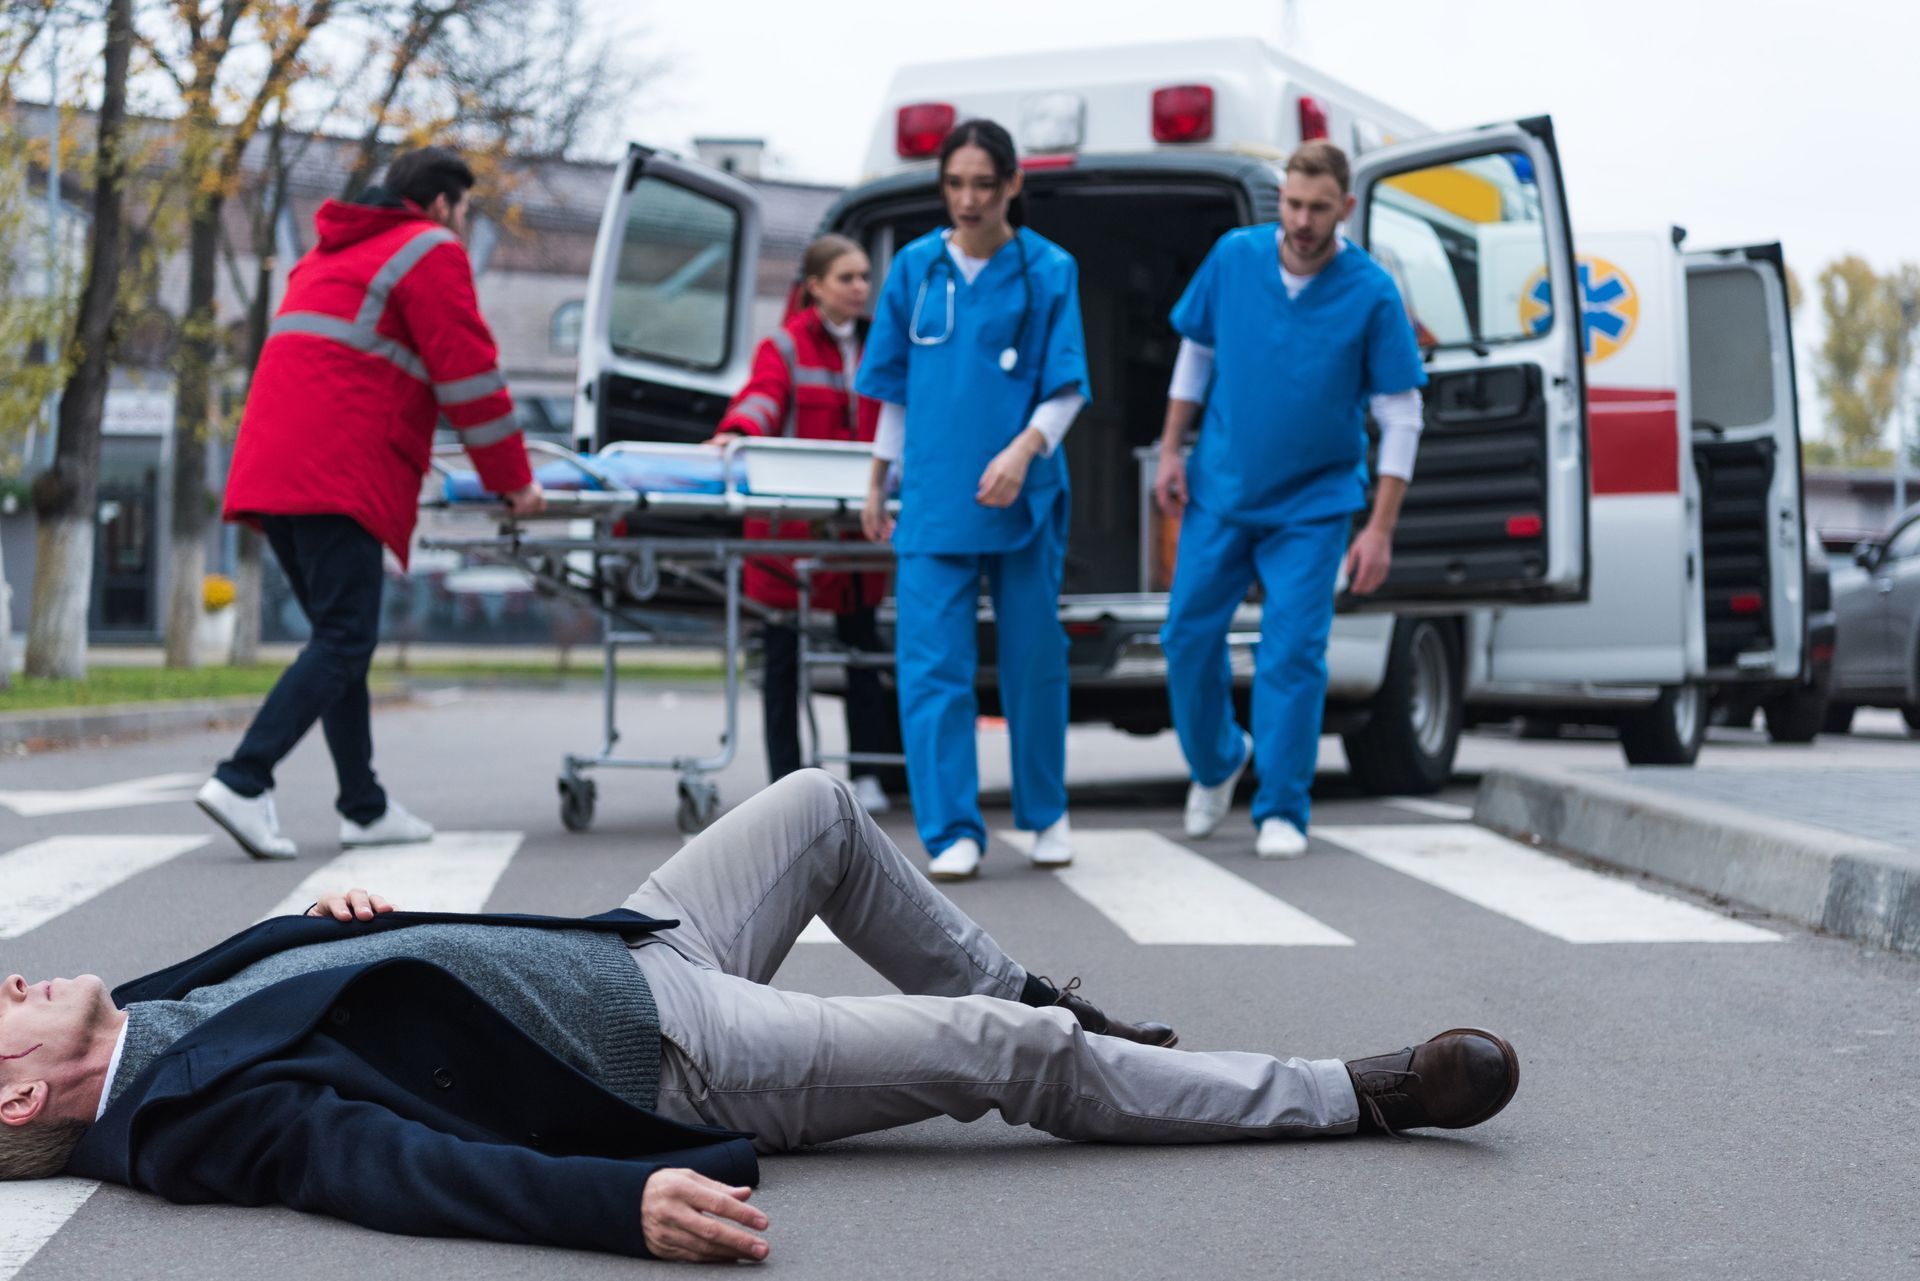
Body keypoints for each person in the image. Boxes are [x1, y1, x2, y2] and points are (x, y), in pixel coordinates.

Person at [0, 771, 1519, 1263]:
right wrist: (618, 1202)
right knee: (1010, 1066)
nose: (11, 980)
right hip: (672, 1051)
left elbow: (291, 971)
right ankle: (1348, 1090)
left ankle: (1062, 1003)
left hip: (641, 939)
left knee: (817, 805)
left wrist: (326, 932)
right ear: (22, 1103)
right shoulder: (192, 1116)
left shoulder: (141, 1012)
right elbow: (391, 1171)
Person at [199, 146, 546, 862]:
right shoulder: (430, 250)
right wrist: (514, 481)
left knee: (339, 637)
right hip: (340, 472)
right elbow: (470, 375)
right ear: (444, 204)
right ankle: (243, 776)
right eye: (463, 210)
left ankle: (364, 804)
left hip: (276, 468)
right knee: (346, 638)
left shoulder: (328, 255)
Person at [1154, 141, 1427, 859]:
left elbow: (1401, 415)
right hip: (1222, 485)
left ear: (1347, 207)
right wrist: (1172, 448)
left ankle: (1283, 805)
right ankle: (1218, 761)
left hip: (1315, 502)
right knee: (1184, 635)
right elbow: (1197, 354)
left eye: (1318, 208)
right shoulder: (1234, 257)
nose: (1302, 221)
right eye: (1293, 205)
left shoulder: (1371, 292)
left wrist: (1380, 529)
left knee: (1293, 652)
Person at [856, 119, 1089, 881]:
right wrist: (876, 480)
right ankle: (952, 827)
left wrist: (1023, 451)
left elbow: (1065, 387)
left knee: (1032, 661)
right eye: (955, 184)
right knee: (931, 667)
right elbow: (892, 387)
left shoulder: (1050, 269)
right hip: (932, 494)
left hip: (1023, 495)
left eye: (984, 185)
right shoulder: (915, 269)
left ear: (1014, 184)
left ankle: (1046, 813)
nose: (968, 200)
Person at [707, 235, 904, 811]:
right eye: (847, 278)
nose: (860, 288)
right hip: (791, 530)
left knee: (863, 649)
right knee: (783, 658)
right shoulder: (786, 346)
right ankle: (786, 788)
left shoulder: (879, 346)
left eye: (865, 277)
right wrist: (739, 432)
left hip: (854, 526)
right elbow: (764, 399)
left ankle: (868, 772)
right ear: (815, 286)